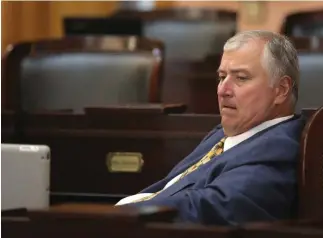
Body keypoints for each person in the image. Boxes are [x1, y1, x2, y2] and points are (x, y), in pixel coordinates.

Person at [116, 30, 305, 226]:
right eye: (222, 77)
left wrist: (116, 216)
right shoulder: (222, 135)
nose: (223, 90)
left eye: (241, 78)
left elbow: (214, 205)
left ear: (281, 90)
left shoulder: (280, 148)